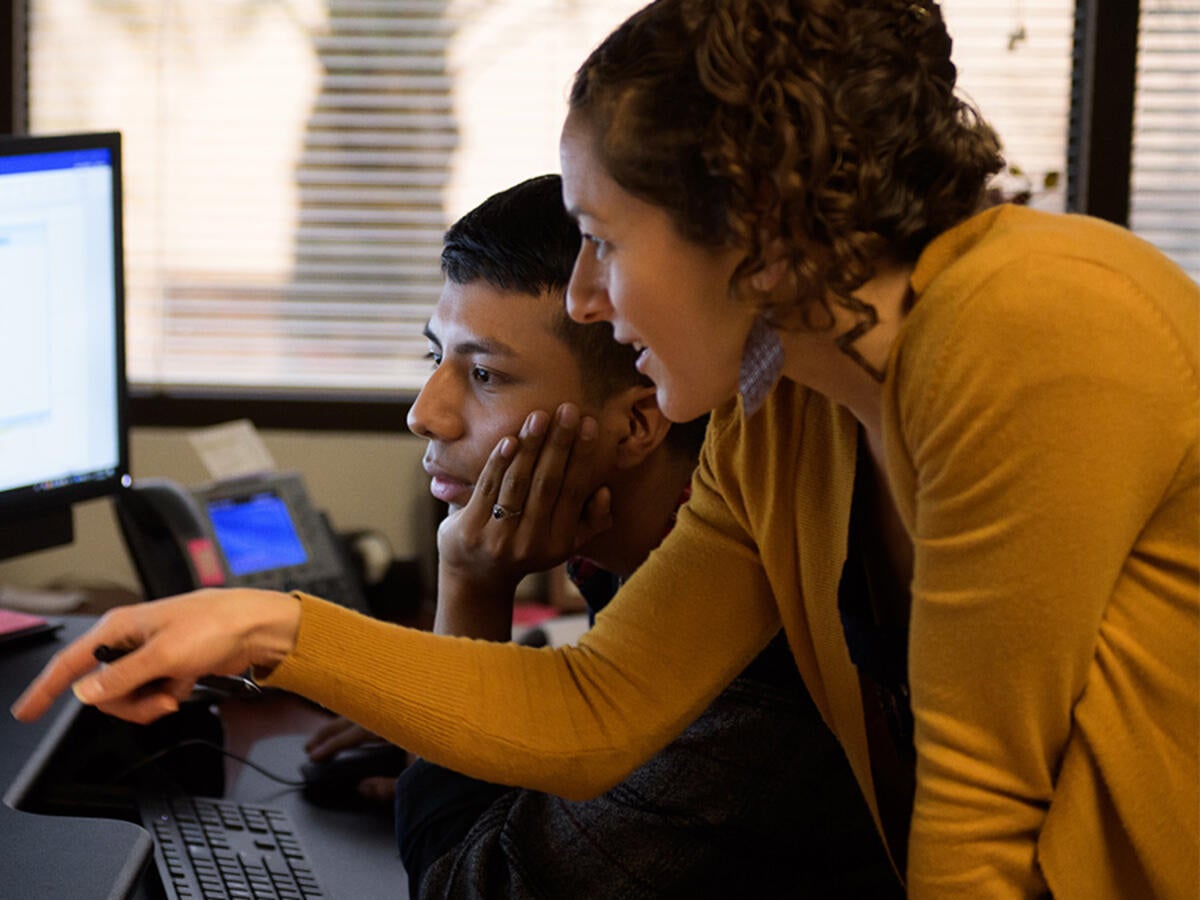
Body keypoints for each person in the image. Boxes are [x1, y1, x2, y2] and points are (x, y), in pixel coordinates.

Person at [14, 2, 1197, 896]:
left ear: (754, 225)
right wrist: (270, 629)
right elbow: (597, 707)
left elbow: (982, 814)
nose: (585, 297)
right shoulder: (778, 406)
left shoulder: (1033, 321)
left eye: (602, 240)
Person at [312, 173, 900, 897]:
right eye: (435, 358)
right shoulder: (631, 560)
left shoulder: (745, 693)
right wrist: (450, 709)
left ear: (638, 423)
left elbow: (469, 889)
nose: (425, 414)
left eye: (486, 374)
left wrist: (471, 588)